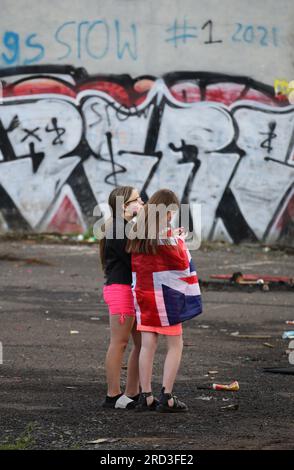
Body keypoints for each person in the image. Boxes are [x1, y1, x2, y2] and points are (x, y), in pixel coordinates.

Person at [127, 189, 202, 412]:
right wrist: (178, 238)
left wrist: (173, 235)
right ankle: (167, 396)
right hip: (166, 299)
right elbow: (179, 261)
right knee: (175, 345)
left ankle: (146, 395)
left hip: (144, 296)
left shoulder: (137, 229)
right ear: (168, 212)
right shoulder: (165, 235)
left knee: (147, 345)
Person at [100, 186, 144, 409]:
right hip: (121, 290)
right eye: (138, 199)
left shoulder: (125, 226)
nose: (142, 202)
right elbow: (134, 260)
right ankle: (113, 395)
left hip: (130, 289)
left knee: (141, 343)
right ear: (124, 205)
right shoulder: (118, 229)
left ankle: (132, 393)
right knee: (120, 343)